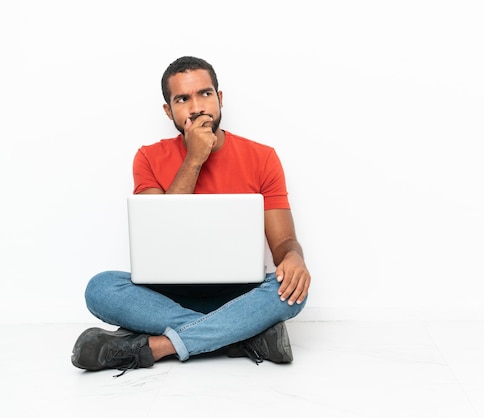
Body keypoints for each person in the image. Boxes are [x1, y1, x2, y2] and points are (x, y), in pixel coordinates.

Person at [71, 56, 311, 376]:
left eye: (205, 94)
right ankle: (240, 338)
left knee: (292, 293)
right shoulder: (149, 157)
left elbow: (283, 242)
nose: (197, 107)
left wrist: (294, 258)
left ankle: (156, 347)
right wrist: (194, 159)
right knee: (99, 289)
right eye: (183, 99)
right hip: (164, 297)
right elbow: (159, 236)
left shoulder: (262, 157)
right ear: (169, 111)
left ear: (220, 98)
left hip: (238, 295)